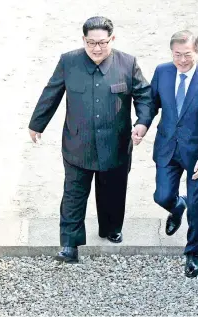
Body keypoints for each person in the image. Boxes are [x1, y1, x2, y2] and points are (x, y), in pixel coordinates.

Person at [28, 16, 152, 263]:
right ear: (83, 40)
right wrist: (37, 123)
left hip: (115, 145)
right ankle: (69, 245)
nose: (97, 48)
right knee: (73, 195)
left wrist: (142, 123)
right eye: (91, 42)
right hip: (77, 144)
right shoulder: (69, 61)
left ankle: (111, 228)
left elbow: (145, 96)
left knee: (113, 193)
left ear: (112, 39)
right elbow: (52, 92)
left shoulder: (128, 63)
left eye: (102, 43)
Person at [133, 30, 198, 278]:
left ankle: (192, 253)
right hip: (167, 147)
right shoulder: (163, 71)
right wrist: (142, 124)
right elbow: (152, 103)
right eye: (177, 55)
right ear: (171, 52)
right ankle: (176, 206)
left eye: (187, 55)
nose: (182, 60)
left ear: (196, 51)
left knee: (197, 205)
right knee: (162, 195)